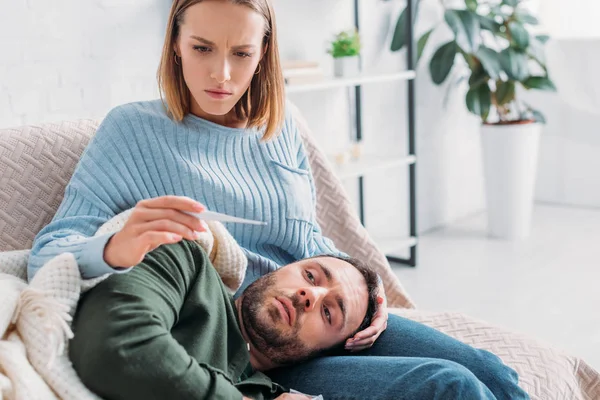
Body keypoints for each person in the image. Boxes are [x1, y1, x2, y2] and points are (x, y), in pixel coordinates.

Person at [30, 0, 530, 399]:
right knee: (451, 386)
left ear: (264, 52)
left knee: (489, 370)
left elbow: (307, 239)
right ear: (175, 45)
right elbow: (49, 251)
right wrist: (115, 249)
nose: (221, 74)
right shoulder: (132, 130)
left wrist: (365, 287)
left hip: (325, 320)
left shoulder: (280, 125)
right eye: (202, 48)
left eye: (241, 53)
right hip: (250, 342)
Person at [69, 240, 380, 400]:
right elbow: (113, 348)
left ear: (323, 352)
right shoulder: (186, 263)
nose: (308, 294)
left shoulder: (266, 393)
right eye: (309, 274)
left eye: (328, 313)